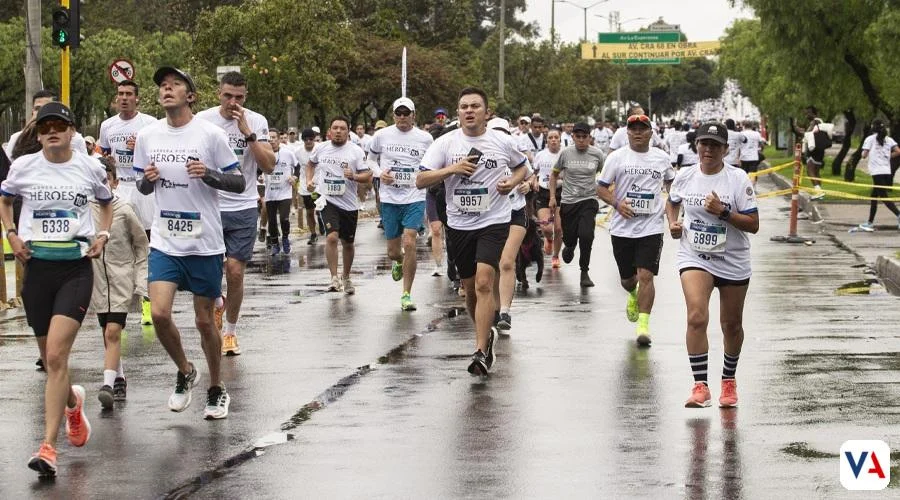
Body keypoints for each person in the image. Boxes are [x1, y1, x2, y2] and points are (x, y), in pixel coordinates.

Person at [1, 102, 113, 476]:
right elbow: (5, 200)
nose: (52, 131)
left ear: (71, 131)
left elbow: (106, 202)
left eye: (59, 126)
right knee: (54, 362)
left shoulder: (88, 166)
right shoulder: (24, 167)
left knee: (55, 356)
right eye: (45, 126)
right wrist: (12, 234)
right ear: (38, 132)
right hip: (37, 271)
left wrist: (102, 233)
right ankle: (72, 403)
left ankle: (48, 446)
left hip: (76, 271)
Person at [134, 66, 244, 420]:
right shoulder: (149, 135)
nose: (167, 90)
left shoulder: (210, 135)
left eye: (175, 85)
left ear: (190, 95)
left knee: (203, 322)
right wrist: (148, 181)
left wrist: (208, 174)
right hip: (165, 239)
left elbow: (239, 181)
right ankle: (185, 370)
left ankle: (216, 388)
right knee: (161, 313)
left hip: (204, 243)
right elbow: (142, 184)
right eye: (163, 86)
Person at [417, 87, 528, 375]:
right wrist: (451, 170)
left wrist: (512, 182)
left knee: (483, 282)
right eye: (464, 106)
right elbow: (420, 179)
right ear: (458, 112)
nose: (469, 111)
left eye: (475, 106)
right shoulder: (445, 143)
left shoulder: (501, 141)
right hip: (459, 223)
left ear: (487, 112)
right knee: (469, 289)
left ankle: (480, 350)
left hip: (494, 220)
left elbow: (522, 168)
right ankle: (486, 332)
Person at [665, 121, 759, 408]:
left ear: (725, 149)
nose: (708, 149)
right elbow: (672, 202)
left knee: (731, 325)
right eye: (704, 143)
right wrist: (673, 223)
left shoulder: (737, 179)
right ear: (696, 146)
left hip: (732, 259)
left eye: (715, 145)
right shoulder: (685, 176)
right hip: (695, 255)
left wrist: (724, 212)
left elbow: (753, 224)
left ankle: (728, 380)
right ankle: (700, 386)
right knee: (696, 316)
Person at [196, 71, 275, 356]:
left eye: (238, 97)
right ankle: (218, 303)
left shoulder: (256, 121)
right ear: (219, 93)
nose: (233, 102)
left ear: (246, 97)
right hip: (209, 206)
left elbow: (268, 166)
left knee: (235, 271)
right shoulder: (202, 120)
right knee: (209, 272)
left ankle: (230, 331)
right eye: (228, 96)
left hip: (242, 206)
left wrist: (248, 133)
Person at [597, 114, 675, 345]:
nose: (638, 132)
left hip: (651, 225)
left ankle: (643, 326)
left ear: (651, 132)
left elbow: (671, 183)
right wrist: (617, 204)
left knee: (646, 275)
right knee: (628, 280)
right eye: (633, 129)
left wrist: (676, 199)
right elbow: (600, 189)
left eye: (643, 128)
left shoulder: (661, 158)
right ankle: (632, 294)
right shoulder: (617, 158)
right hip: (623, 228)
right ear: (627, 133)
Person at [98, 79, 159, 325]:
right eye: (120, 94)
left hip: (142, 189)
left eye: (128, 94)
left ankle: (148, 303)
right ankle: (117, 307)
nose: (123, 98)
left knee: (147, 246)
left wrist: (141, 150)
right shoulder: (107, 126)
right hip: (119, 188)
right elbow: (103, 158)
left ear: (137, 99)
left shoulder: (150, 125)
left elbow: (158, 158)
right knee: (117, 248)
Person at [90, 159, 148, 410]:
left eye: (106, 179)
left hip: (121, 279)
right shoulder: (83, 209)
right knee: (107, 332)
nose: (101, 184)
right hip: (95, 281)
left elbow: (141, 245)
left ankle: (107, 385)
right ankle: (119, 376)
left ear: (114, 182)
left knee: (113, 331)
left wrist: (141, 281)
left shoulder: (124, 209)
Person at [370, 97, 434, 310]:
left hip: (414, 196)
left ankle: (406, 294)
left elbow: (432, 163)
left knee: (409, 242)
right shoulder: (381, 135)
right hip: (389, 198)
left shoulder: (425, 138)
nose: (402, 117)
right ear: (393, 115)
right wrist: (380, 174)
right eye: (399, 113)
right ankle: (398, 262)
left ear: (414, 115)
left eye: (407, 113)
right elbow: (369, 160)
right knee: (393, 252)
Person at [306, 117, 372, 293]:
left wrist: (354, 176)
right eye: (334, 128)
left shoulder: (355, 152)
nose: (338, 131)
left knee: (348, 243)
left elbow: (368, 176)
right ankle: (334, 278)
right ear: (329, 131)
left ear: (347, 131)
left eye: (342, 128)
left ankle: (347, 276)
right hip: (327, 200)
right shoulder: (321, 148)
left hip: (349, 204)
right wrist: (309, 180)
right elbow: (310, 164)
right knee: (331, 237)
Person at [488, 117, 534, 332]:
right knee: (494, 264)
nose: (498, 136)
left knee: (507, 261)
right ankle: (497, 309)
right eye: (494, 131)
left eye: (502, 132)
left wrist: (525, 185)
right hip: (491, 215)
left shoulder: (514, 150)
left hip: (516, 211)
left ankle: (505, 311)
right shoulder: (480, 152)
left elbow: (531, 175)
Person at [549, 122, 605, 288]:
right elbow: (553, 176)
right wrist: (552, 197)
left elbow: (605, 176)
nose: (581, 140)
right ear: (572, 137)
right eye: (577, 137)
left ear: (590, 138)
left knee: (587, 235)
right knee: (570, 236)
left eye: (584, 137)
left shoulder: (597, 154)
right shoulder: (565, 153)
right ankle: (570, 245)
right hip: (568, 202)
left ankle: (584, 272)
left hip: (588, 200)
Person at [5, 89, 88, 159]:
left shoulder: (75, 139)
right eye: (37, 109)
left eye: (46, 108)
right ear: (32, 111)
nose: (41, 113)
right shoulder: (16, 139)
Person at [856, 119, 900, 231]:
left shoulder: (870, 139)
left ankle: (899, 214)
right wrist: (887, 156)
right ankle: (870, 222)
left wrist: (864, 152)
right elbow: (898, 151)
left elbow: (864, 155)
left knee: (884, 197)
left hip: (877, 172)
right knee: (874, 197)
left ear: (873, 128)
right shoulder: (889, 139)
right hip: (886, 170)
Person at [264, 130, 298, 255]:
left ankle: (285, 238)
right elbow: (257, 170)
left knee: (284, 218)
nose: (271, 140)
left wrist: (294, 177)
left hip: (285, 192)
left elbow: (297, 166)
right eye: (269, 138)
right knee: (272, 221)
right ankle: (274, 243)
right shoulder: (263, 154)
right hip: (270, 193)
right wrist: (259, 177)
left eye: (273, 137)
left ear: (278, 139)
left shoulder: (288, 153)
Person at [533, 128, 563, 267]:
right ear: (547, 140)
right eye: (550, 137)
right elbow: (534, 172)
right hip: (543, 192)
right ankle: (548, 239)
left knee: (558, 228)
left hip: (560, 192)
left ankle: (556, 256)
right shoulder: (540, 155)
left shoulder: (565, 154)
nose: (553, 140)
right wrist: (534, 181)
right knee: (546, 228)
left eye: (556, 137)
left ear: (560, 139)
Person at [793, 106, 826, 199]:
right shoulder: (819, 121)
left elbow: (806, 133)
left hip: (814, 150)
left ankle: (818, 191)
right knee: (816, 172)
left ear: (814, 113)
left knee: (810, 170)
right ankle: (819, 193)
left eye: (808, 113)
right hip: (820, 150)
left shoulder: (815, 121)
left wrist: (796, 127)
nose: (806, 115)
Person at [294, 128, 320, 244]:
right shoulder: (298, 152)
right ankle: (313, 234)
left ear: (314, 139)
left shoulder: (320, 149)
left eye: (311, 139)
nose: (308, 141)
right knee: (310, 212)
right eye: (306, 140)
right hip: (306, 187)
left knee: (320, 209)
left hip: (319, 185)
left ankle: (322, 222)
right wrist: (294, 177)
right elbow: (296, 167)